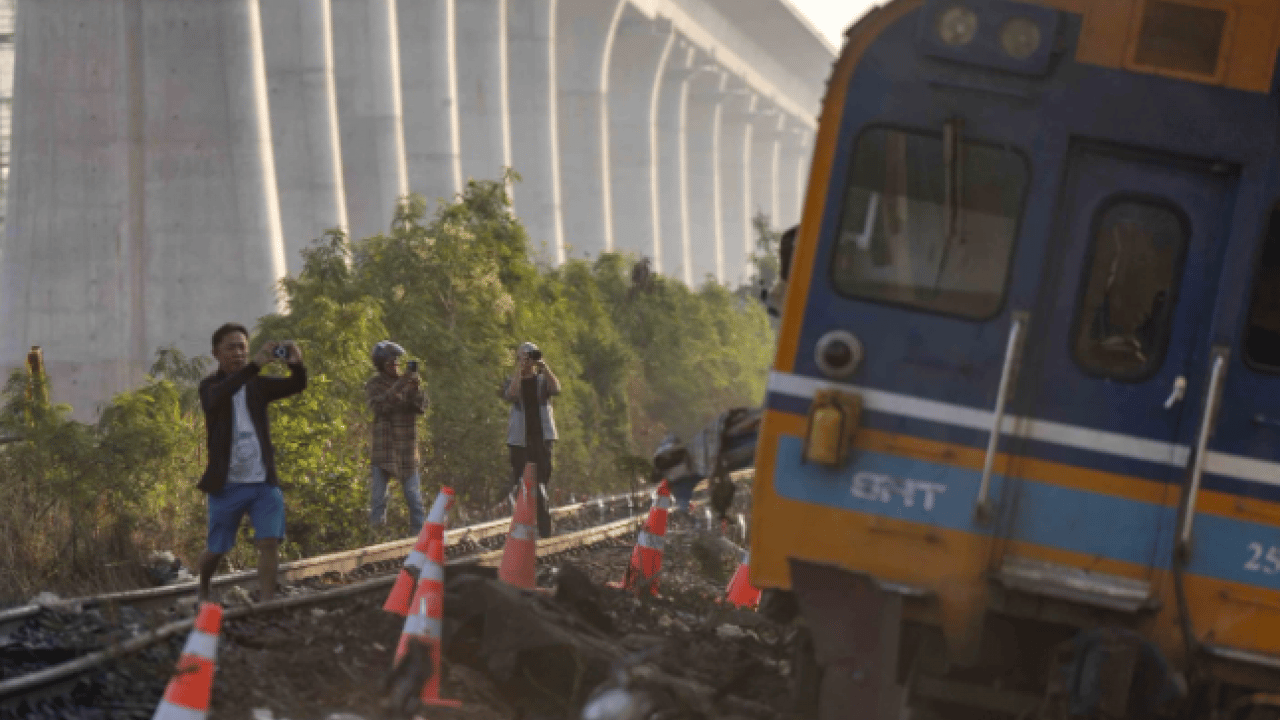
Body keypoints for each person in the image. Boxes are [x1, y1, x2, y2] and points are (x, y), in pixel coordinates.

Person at [196, 323, 307, 604]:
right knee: (216, 550)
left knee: (269, 542)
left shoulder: (258, 385)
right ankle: (203, 587)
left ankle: (267, 601)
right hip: (227, 485)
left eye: (243, 347)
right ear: (216, 353)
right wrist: (254, 366)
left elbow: (297, 385)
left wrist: (297, 365)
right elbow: (219, 397)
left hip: (262, 482)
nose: (239, 353)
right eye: (231, 347)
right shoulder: (210, 386)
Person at [365, 341, 428, 537]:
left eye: (397, 362)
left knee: (414, 497)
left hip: (407, 449)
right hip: (384, 449)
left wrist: (415, 388)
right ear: (381, 364)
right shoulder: (374, 384)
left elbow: (421, 407)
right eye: (391, 362)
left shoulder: (406, 382)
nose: (396, 365)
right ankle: (376, 541)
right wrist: (401, 384)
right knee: (378, 500)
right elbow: (381, 406)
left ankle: (419, 538)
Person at [500, 341, 561, 537]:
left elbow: (557, 389)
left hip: (542, 438)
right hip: (519, 440)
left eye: (530, 356)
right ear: (518, 358)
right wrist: (520, 369)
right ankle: (524, 527)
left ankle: (544, 530)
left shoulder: (543, 380)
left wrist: (545, 367)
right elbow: (511, 394)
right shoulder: (511, 380)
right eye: (523, 356)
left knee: (541, 483)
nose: (528, 361)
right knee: (521, 483)